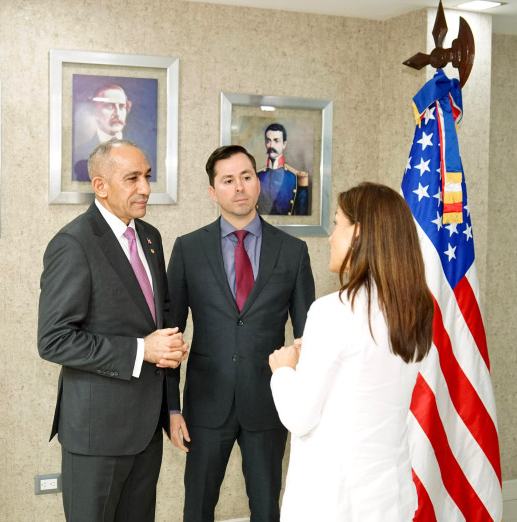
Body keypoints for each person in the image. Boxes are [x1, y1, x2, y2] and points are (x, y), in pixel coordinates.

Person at [38, 139, 189, 521]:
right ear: (100, 186)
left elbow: (163, 332)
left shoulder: (150, 238)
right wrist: (141, 351)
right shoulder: (73, 243)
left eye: (148, 177)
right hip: (96, 436)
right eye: (133, 178)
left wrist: (172, 407)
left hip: (147, 430)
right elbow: (53, 339)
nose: (146, 188)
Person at [268, 182, 434, 521]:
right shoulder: (415, 308)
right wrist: (314, 354)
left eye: (337, 223)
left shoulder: (332, 311)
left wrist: (284, 369)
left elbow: (300, 417)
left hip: (333, 501)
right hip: (390, 496)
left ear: (357, 233)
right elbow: (366, 376)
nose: (330, 237)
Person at [166, 145, 315, 521]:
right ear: (213, 192)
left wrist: (305, 404)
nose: (240, 187)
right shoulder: (188, 249)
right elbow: (169, 335)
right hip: (205, 403)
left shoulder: (293, 252)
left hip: (268, 403)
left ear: (257, 182)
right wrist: (171, 407)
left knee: (267, 508)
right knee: (197, 508)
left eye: (247, 176)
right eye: (228, 180)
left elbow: (307, 338)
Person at [72, 84, 133, 181]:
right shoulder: (78, 155)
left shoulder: (143, 154)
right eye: (109, 106)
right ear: (95, 112)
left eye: (121, 107)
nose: (117, 114)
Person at [256, 123, 309, 216]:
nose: (271, 145)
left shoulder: (296, 177)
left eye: (276, 141)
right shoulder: (256, 175)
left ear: (284, 144)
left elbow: (302, 217)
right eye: (268, 141)